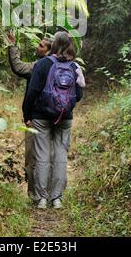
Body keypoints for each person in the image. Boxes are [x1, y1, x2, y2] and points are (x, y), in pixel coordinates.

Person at [22, 31, 84, 209]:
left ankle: (41, 199)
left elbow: (32, 91)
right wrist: (64, 105)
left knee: (41, 156)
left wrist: (27, 115)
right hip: (64, 118)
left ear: (54, 44)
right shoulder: (75, 67)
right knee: (60, 156)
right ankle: (56, 199)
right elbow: (78, 95)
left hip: (41, 117)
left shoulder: (43, 64)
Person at [7, 31, 52, 199]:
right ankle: (51, 194)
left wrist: (12, 46)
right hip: (56, 118)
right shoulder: (62, 66)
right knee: (51, 156)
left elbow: (18, 67)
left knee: (32, 156)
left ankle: (35, 195)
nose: (37, 47)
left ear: (48, 51)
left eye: (41, 45)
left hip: (36, 118)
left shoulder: (38, 66)